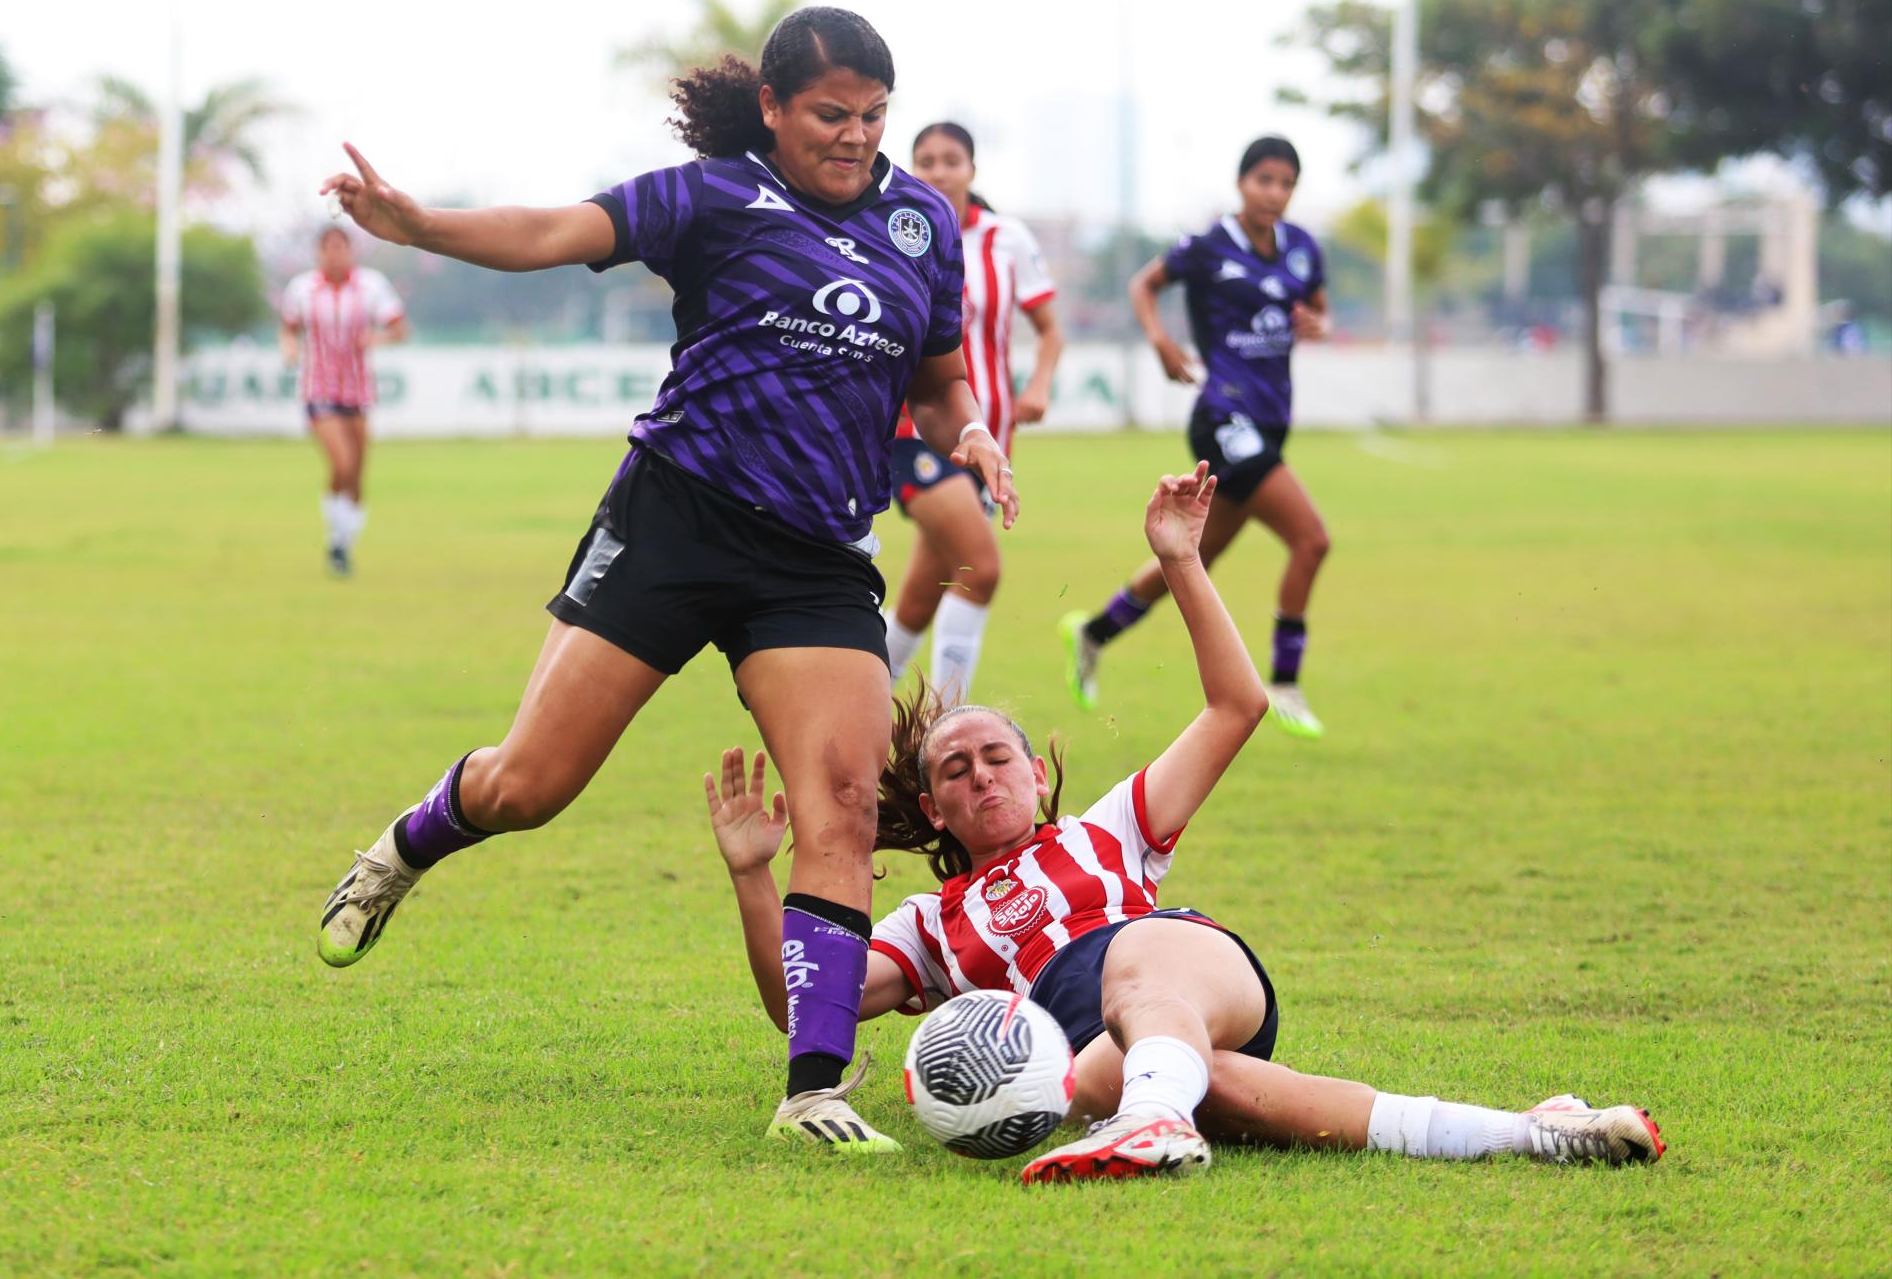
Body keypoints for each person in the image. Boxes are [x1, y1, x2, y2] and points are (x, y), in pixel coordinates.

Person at [312, 7, 1017, 1153]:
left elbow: (935, 378)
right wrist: (415, 225)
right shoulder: (712, 195)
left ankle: (812, 1089)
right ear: (775, 112)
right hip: (674, 518)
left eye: (873, 116)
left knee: (839, 807)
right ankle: (407, 843)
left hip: (816, 558)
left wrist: (971, 429)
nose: (854, 137)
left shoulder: (918, 220)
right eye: (830, 115)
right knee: (530, 785)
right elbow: (550, 229)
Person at [709, 462, 1664, 1183]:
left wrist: (1181, 562)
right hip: (1097, 1064)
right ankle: (1537, 1130)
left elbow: (1234, 707)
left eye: (997, 755)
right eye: (955, 769)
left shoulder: (1107, 829)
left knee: (1135, 966)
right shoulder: (929, 929)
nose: (982, 774)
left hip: (1189, 971)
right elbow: (807, 1007)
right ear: (931, 808)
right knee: (1259, 1101)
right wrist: (757, 876)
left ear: (1037, 773)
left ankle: (1153, 1114)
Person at [1062, 136, 1333, 737]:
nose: (1275, 192)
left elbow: (1317, 306)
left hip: (1268, 420)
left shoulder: (1302, 249)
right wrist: (1160, 339)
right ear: (1242, 183)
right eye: (1264, 179)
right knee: (1312, 540)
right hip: (1223, 415)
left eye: (1286, 183)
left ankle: (1094, 631)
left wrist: (1318, 321)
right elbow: (1143, 284)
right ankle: (1285, 681)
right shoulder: (1209, 245)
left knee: (1194, 557)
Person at [883, 122, 1063, 702]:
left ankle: (853, 707)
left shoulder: (1006, 239)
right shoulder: (893, 232)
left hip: (990, 436)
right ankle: (946, 720)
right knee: (979, 569)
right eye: (926, 160)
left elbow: (1050, 330)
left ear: (972, 170)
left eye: (951, 160)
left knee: (919, 597)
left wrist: (1038, 383)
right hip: (916, 432)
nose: (938, 171)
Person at [279, 225, 408, 577]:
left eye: (341, 247)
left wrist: (375, 339)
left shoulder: (371, 286)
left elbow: (399, 329)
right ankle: (337, 543)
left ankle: (342, 541)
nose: (334, 254)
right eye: (328, 247)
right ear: (319, 252)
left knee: (357, 473)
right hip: (318, 387)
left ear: (351, 251)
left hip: (358, 389)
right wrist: (289, 348)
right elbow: (288, 328)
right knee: (342, 461)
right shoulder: (302, 289)